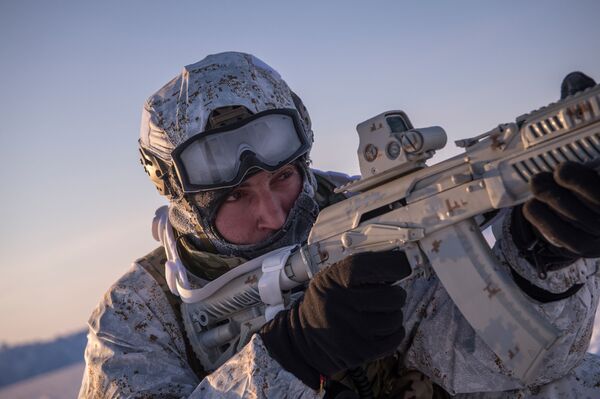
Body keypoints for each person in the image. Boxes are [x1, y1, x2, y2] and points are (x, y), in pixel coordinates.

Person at [79, 53, 600, 398]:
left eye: (282, 178)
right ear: (186, 204)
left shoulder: (363, 213)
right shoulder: (137, 315)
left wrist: (541, 261)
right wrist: (291, 356)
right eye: (235, 196)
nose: (275, 214)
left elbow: (504, 363)